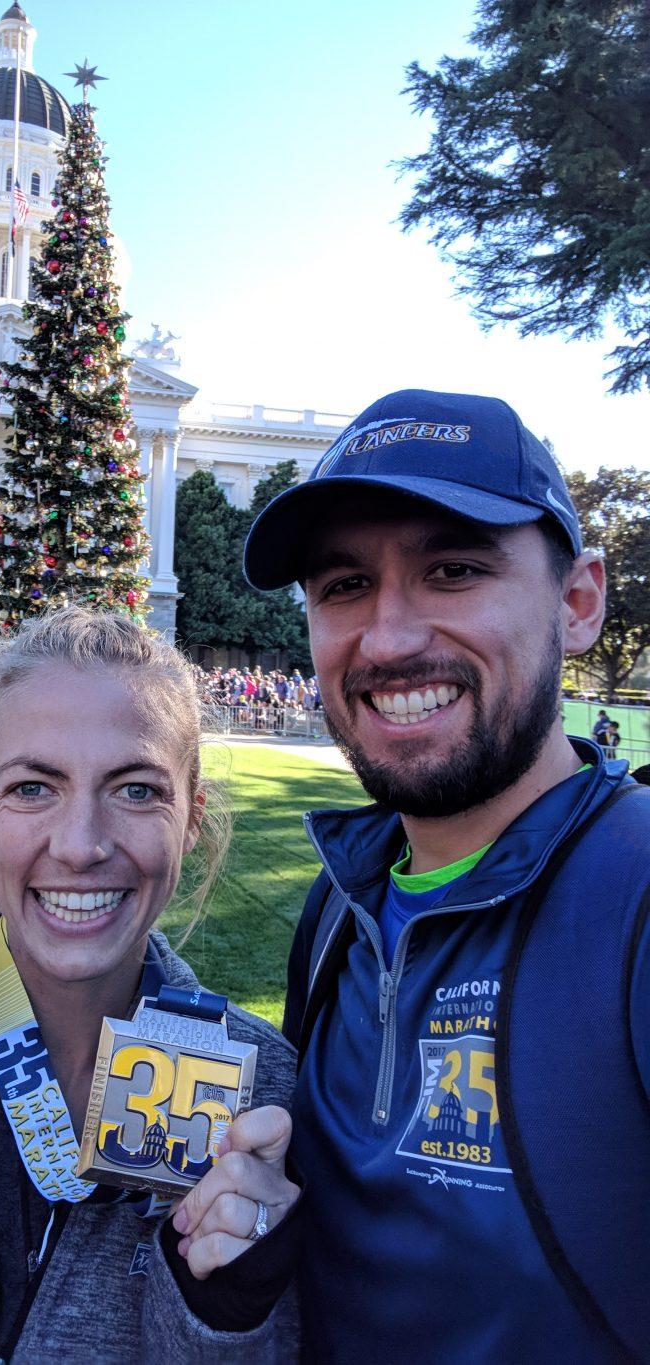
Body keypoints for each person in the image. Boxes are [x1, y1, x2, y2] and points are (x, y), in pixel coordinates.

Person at [232, 389, 650, 1361]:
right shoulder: (339, 908)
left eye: (453, 570)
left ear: (577, 601)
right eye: (341, 587)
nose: (386, 638)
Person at [0, 605, 299, 1361]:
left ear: (192, 819)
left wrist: (227, 1301)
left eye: (137, 790)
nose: (82, 845)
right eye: (32, 788)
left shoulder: (261, 1095)